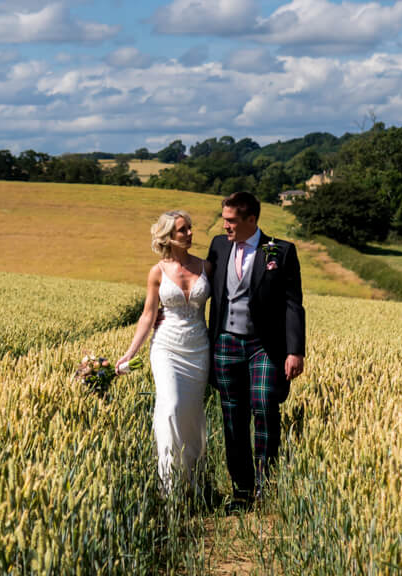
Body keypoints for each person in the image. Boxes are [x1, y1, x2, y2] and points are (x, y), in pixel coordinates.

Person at [205, 190, 305, 509]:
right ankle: (242, 492)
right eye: (224, 219)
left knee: (264, 407)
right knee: (232, 417)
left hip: (264, 345)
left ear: (252, 220)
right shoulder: (219, 247)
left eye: (232, 220)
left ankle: (265, 488)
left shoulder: (280, 251)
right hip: (225, 341)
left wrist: (295, 350)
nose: (225, 226)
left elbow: (293, 304)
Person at [115, 209, 211, 495]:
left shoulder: (207, 267)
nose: (190, 233)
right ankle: (170, 488)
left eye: (191, 228)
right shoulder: (157, 272)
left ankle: (193, 485)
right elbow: (148, 315)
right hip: (166, 347)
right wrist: (130, 353)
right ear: (169, 236)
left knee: (191, 415)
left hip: (199, 348)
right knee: (170, 408)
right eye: (184, 230)